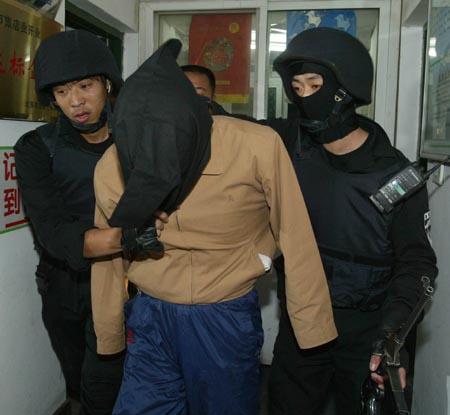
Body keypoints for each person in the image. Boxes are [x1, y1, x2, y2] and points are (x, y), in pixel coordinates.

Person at [91, 38, 338, 415]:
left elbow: (296, 234)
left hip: (224, 313)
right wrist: (109, 334)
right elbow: (108, 253)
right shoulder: (112, 162)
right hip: (150, 313)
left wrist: (312, 327)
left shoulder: (255, 145)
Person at [257, 27, 438, 415]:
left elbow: (417, 263)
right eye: (297, 87)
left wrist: (392, 336)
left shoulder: (393, 175)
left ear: (345, 88)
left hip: (367, 330)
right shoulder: (287, 143)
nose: (304, 96)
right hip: (303, 321)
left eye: (314, 84)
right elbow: (225, 128)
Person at [14, 29, 162, 414]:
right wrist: (124, 236)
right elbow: (52, 231)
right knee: (84, 384)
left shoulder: (138, 138)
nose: (76, 101)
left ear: (106, 84)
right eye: (62, 92)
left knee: (134, 378)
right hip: (68, 283)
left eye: (85, 86)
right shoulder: (37, 147)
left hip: (134, 277)